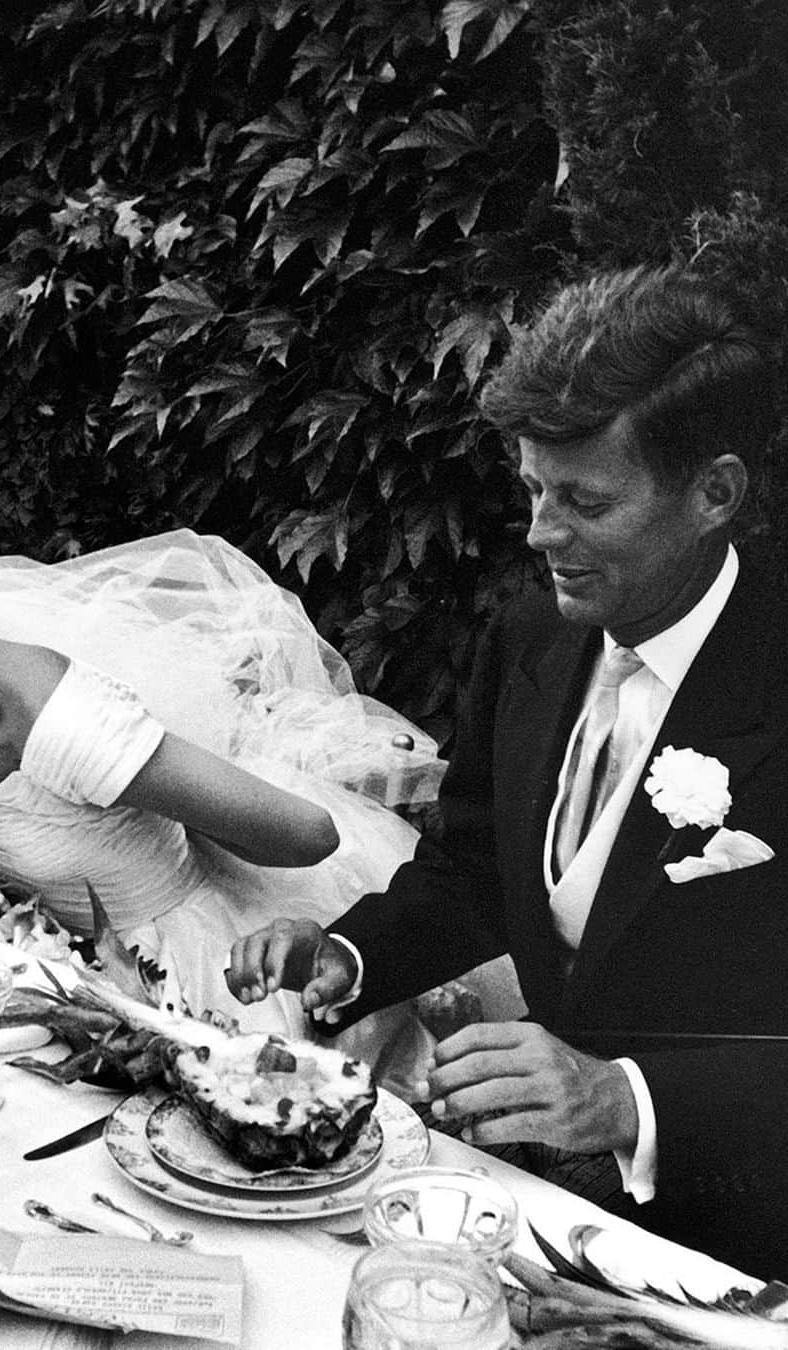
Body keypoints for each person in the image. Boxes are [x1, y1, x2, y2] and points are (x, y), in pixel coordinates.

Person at [225, 265, 788, 1279]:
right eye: (532, 489)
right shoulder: (530, 637)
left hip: (751, 1238)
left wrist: (625, 1098)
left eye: (585, 501)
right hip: (543, 1202)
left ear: (716, 493)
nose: (539, 534)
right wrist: (348, 959)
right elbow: (474, 866)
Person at [0, 433, 460, 1096]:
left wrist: (161, 796)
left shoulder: (54, 715)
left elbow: (308, 835)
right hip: (54, 983)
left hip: (200, 985)